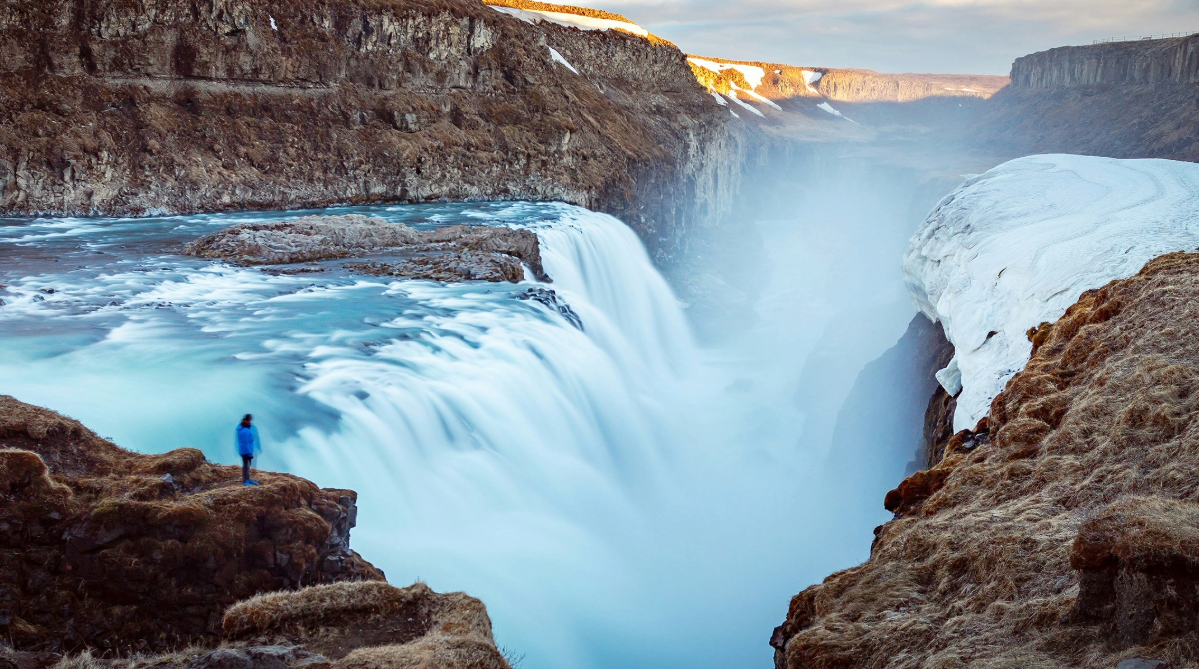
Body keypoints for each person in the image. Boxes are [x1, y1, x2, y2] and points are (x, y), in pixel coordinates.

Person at [236, 413, 261, 486]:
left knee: (247, 465)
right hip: (246, 452)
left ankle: (247, 479)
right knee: (246, 465)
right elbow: (245, 443)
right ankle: (245, 481)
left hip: (246, 451)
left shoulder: (244, 429)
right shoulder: (245, 431)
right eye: (249, 420)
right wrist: (249, 452)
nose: (251, 422)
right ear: (246, 420)